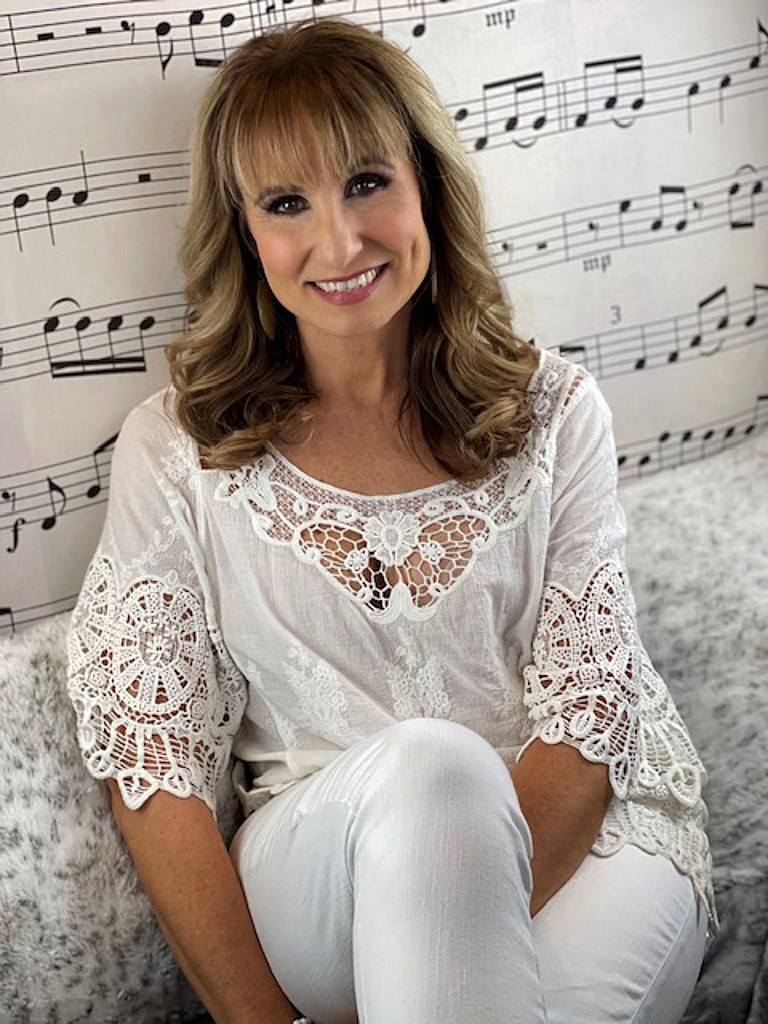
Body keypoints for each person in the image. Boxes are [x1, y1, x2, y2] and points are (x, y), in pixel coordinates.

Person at [67, 18, 714, 1024]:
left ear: (428, 185)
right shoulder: (178, 451)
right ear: (245, 230)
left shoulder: (558, 414)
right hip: (318, 868)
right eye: (288, 202)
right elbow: (158, 780)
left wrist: (453, 925)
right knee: (436, 765)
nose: (340, 242)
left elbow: (587, 733)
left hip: (586, 840)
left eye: (368, 181)